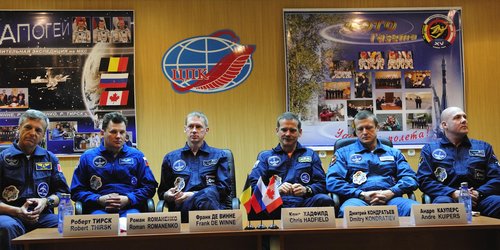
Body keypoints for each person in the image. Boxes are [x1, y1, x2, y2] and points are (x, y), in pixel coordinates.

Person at [327, 111, 418, 217]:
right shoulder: (343, 153)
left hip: (391, 199)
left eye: (369, 127)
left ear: (377, 128)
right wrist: (361, 194)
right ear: (355, 131)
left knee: (416, 210)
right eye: (360, 129)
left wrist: (391, 192)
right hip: (358, 200)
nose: (365, 132)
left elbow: (410, 178)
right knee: (348, 213)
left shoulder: (394, 153)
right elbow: (332, 181)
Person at [0, 109, 70, 250]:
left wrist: (45, 201)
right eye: (28, 127)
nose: (32, 133)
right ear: (19, 128)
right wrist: (17, 211)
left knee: (66, 226)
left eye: (38, 130)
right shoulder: (2, 158)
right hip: (9, 215)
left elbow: (63, 194)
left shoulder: (50, 158)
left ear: (43, 135)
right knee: (7, 227)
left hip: (42, 216)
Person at [417, 107, 500, 218]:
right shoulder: (430, 149)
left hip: (480, 198)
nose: (464, 120)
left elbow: (497, 177)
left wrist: (478, 193)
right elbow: (423, 180)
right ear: (444, 125)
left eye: (464, 117)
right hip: (447, 197)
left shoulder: (484, 147)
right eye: (457, 118)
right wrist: (453, 193)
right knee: (442, 207)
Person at [70, 112, 157, 216]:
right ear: (102, 133)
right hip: (99, 209)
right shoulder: (87, 157)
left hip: (130, 208)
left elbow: (149, 187)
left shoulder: (137, 156)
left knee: (131, 225)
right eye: (113, 132)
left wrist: (129, 198)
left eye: (122, 132)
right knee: (103, 226)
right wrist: (98, 199)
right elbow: (76, 191)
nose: (118, 136)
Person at [248, 112, 333, 209]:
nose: (288, 134)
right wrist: (275, 190)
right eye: (284, 130)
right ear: (277, 131)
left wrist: (306, 189)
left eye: (292, 130)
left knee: (324, 199)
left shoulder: (310, 154)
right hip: (276, 204)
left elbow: (322, 184)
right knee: (256, 205)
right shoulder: (265, 157)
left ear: (300, 132)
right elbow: (254, 187)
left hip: (304, 203)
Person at [157, 111, 230, 222]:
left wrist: (192, 195)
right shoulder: (171, 158)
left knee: (208, 195)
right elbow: (162, 192)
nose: (194, 130)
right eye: (191, 126)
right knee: (206, 196)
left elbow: (224, 188)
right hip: (184, 209)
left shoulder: (220, 156)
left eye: (199, 127)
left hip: (212, 205)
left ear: (206, 130)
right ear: (185, 129)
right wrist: (168, 195)